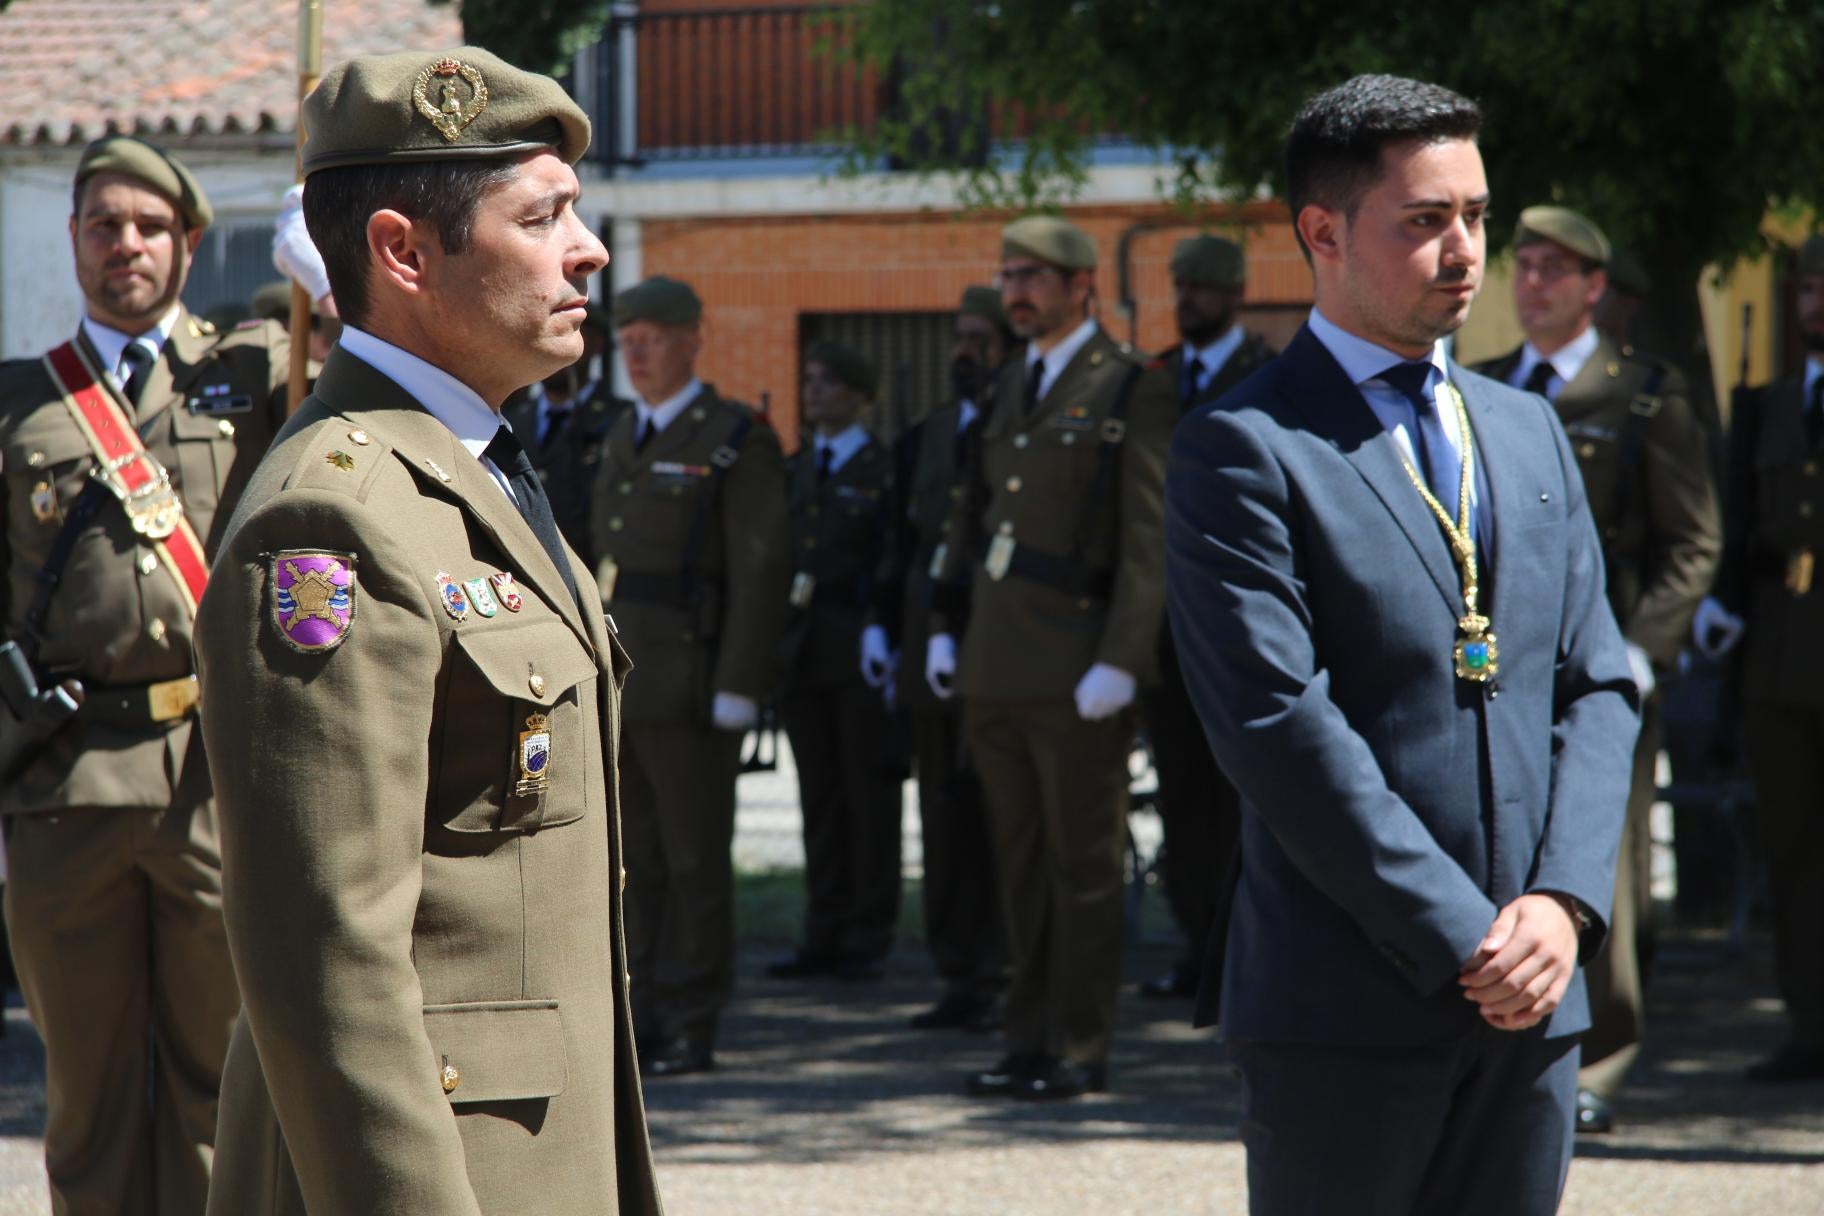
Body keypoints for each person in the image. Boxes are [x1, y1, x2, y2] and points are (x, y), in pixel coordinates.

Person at [190, 46, 661, 1213]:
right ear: (403, 252)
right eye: (544, 215)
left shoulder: (471, 465)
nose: (588, 247)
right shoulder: (335, 513)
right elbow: (323, 962)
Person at [1165, 76, 1637, 1213]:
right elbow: (1277, 724)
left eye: (1475, 214)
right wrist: (1468, 933)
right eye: (1425, 221)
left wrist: (1561, 904)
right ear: (1322, 232)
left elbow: (1601, 684)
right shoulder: (1244, 447)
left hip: (1535, 1004)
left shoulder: (1527, 428)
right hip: (1347, 1010)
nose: (1465, 250)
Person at [0, 135, 290, 1215]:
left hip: (212, 778)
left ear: (190, 242)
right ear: (72, 240)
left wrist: (332, 279)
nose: (126, 244)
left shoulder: (256, 370)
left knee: (222, 1087)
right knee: (85, 1097)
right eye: (102, 224)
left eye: (150, 225)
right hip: (61, 784)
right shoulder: (18, 405)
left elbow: (363, 405)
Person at [1475, 206, 1720, 1132]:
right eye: (1525, 265)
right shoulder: (1486, 387)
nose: (1532, 282)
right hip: (1503, 668)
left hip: (1604, 668)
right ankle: (1515, 1032)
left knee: (1601, 863)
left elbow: (1694, 540)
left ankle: (1598, 1062)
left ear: (1594, 289)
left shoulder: (1647, 397)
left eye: (1555, 269)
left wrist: (1643, 650)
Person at [930, 216, 1176, 1101]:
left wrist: (1123, 658)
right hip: (997, 660)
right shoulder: (1011, 383)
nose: (1016, 290)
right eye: (1008, 275)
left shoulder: (1127, 386)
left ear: (1082, 288)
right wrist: (943, 626)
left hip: (1078, 669)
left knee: (1082, 868)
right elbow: (976, 514)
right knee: (1019, 866)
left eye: (1034, 276)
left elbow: (1149, 542)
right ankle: (1025, 1038)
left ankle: (1080, 1042)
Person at [590, 274, 789, 1076]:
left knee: (697, 858)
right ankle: (641, 1011)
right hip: (624, 680)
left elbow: (761, 569)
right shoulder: (620, 436)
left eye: (653, 339)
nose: (635, 354)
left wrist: (740, 681)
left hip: (692, 679)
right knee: (633, 857)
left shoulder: (732, 438)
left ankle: (693, 1014)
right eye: (627, 341)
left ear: (693, 339)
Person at [1696, 233, 1824, 1083]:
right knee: (1796, 848)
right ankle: (1810, 1023)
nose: (1814, 303)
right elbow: (1741, 528)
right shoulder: (1770, 407)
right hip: (1782, 655)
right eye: (1807, 288)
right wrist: (1722, 603)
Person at [1139, 234, 1276, 1001]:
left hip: (1240, 626)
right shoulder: (1156, 377)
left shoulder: (1263, 374)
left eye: (1202, 287)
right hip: (1167, 630)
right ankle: (1199, 948)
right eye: (1180, 285)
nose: (1187, 298)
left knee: (1243, 806)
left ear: (1234, 294)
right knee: (1182, 803)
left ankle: (1245, 955)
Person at [873, 285, 1014, 1029]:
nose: (965, 351)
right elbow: (900, 539)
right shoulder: (927, 433)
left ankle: (1014, 969)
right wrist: (884, 628)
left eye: (979, 338)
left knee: (1005, 814)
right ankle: (961, 971)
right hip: (928, 639)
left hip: (1000, 638)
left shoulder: (1017, 426)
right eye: (958, 337)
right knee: (944, 814)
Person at [769, 339, 903, 983]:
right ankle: (823, 929)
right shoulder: (798, 468)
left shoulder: (883, 469)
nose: (814, 391)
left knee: (866, 797)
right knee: (820, 798)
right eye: (811, 380)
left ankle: (868, 934)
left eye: (827, 380)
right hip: (804, 651)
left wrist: (886, 631)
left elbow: (892, 557)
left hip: (858, 650)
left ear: (857, 393)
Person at [504, 301, 621, 552]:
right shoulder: (510, 421)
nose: (554, 349)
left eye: (569, 333)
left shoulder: (620, 420)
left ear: (597, 344)